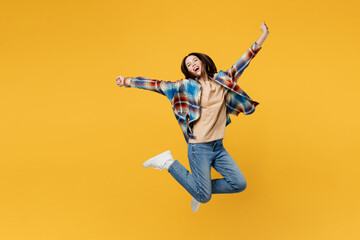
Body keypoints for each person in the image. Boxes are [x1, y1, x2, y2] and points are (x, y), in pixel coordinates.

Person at [116, 21, 269, 212]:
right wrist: (128, 81)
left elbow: (245, 60)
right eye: (188, 65)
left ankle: (196, 189)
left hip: (218, 147)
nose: (192, 65)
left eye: (194, 60)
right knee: (204, 197)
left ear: (203, 62)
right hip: (199, 148)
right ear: (188, 71)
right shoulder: (185, 86)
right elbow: (158, 85)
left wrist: (263, 35)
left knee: (239, 184)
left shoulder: (223, 79)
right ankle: (168, 162)